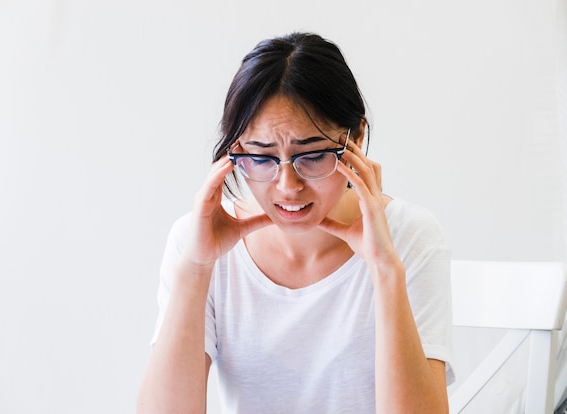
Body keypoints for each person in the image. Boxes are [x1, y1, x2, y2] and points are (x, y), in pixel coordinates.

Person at [137, 32, 454, 413]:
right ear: (235, 153)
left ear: (356, 137)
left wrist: (384, 269)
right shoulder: (195, 242)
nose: (288, 187)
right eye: (261, 157)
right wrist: (196, 267)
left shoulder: (409, 236)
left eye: (313, 155)